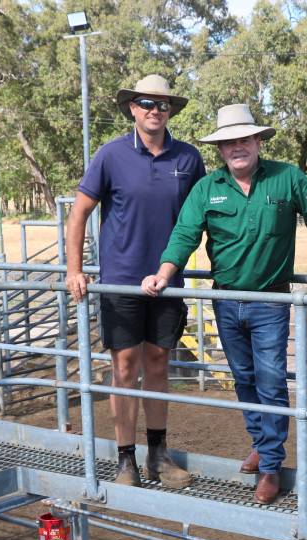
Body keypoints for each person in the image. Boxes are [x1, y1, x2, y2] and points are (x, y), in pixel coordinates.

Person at [142, 104, 307, 504]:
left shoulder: (287, 178)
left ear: (258, 141)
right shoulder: (207, 188)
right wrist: (164, 274)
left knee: (270, 380)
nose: (237, 147)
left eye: (244, 139)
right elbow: (185, 234)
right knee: (244, 379)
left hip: (268, 300)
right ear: (220, 149)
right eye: (228, 142)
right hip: (225, 299)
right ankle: (261, 440)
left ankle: (271, 465)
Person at [65, 74, 205, 489]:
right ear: (132, 108)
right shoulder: (110, 156)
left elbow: (201, 216)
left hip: (168, 280)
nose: (154, 111)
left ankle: (158, 456)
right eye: (146, 103)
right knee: (124, 367)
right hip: (121, 282)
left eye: (162, 105)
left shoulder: (189, 158)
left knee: (160, 363)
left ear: (170, 111)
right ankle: (125, 458)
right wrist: (75, 270)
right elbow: (79, 214)